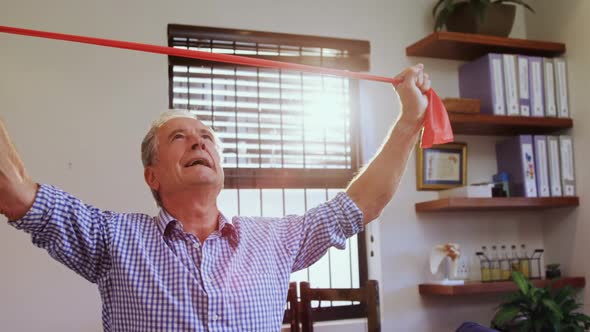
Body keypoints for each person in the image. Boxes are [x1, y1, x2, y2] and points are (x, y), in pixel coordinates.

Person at [0, 64, 431, 331]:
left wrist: (412, 118)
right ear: (152, 174)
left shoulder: (274, 239)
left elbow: (361, 204)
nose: (199, 143)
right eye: (179, 137)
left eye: (206, 137)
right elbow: (16, 192)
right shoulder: (113, 238)